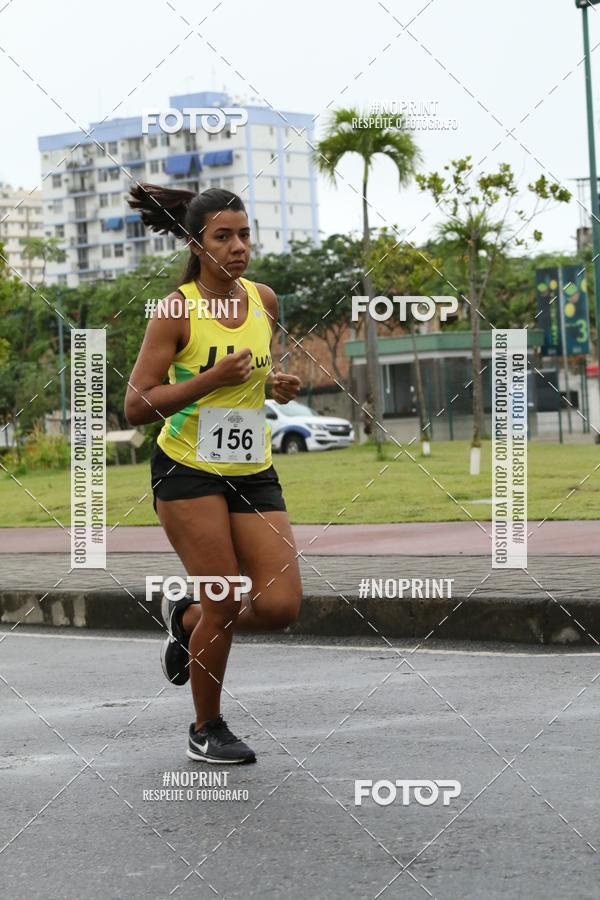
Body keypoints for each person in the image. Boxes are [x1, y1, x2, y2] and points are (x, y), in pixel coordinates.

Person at [124, 184, 303, 764]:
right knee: (226, 597)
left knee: (280, 607)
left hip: (252, 467)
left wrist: (269, 385)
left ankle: (188, 615)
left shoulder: (264, 301)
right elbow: (136, 405)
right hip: (186, 469)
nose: (238, 247)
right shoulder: (175, 310)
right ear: (197, 245)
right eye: (223, 237)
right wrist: (210, 382)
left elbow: (247, 369)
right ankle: (207, 727)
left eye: (244, 234)